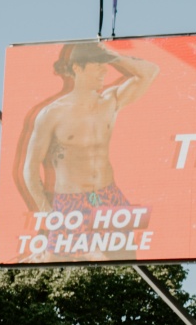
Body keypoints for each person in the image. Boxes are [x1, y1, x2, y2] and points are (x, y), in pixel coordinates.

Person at [14, 41, 158, 217]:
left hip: (109, 194)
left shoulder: (109, 101)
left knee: (133, 236)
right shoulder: (52, 114)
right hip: (71, 202)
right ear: (77, 68)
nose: (105, 70)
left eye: (105, 65)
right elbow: (31, 168)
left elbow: (151, 72)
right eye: (98, 65)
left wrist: (114, 57)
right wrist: (47, 212)